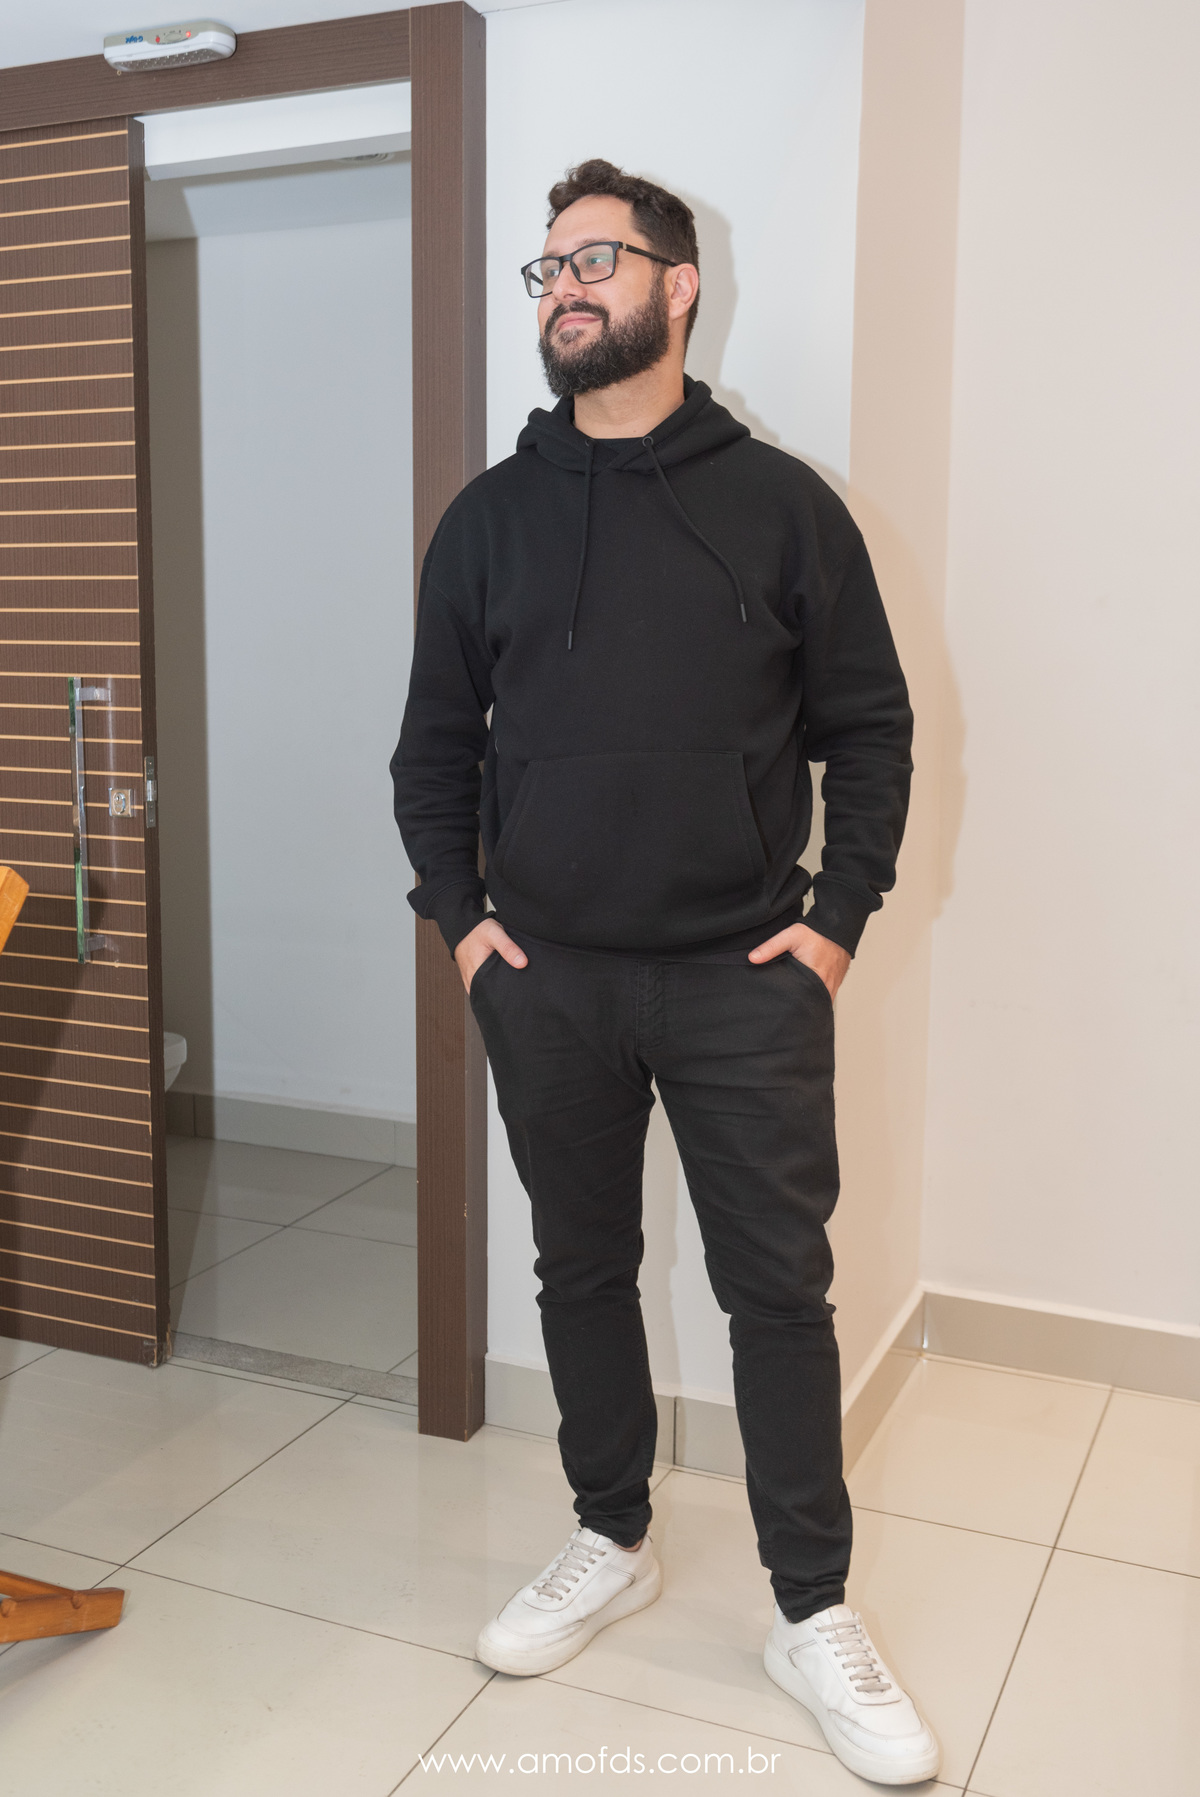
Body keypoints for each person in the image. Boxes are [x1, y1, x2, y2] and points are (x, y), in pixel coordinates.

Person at [392, 159, 936, 1787]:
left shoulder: (783, 507)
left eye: (597, 261)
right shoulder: (488, 521)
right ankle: (610, 1532)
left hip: (740, 977)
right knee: (579, 1267)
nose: (564, 287)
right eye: (548, 267)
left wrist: (834, 924)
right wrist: (464, 925)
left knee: (777, 1291)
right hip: (547, 977)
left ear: (677, 287)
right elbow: (432, 749)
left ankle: (810, 1607)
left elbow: (873, 730)